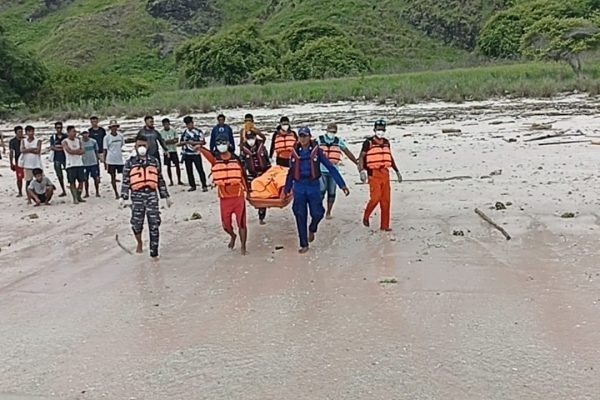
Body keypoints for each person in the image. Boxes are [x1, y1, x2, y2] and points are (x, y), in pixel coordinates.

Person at [284, 127, 349, 253]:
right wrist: (286, 189)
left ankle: (312, 228)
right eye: (301, 136)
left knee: (318, 213)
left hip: (313, 185)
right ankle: (304, 244)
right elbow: (290, 172)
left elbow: (330, 167)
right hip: (299, 186)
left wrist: (342, 185)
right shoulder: (294, 152)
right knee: (300, 214)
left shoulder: (317, 151)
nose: (303, 139)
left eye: (305, 136)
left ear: (310, 137)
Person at [121, 135, 171, 259]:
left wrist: (166, 196)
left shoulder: (154, 161)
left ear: (147, 146)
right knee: (136, 223)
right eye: (139, 145)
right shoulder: (130, 163)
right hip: (137, 196)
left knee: (154, 223)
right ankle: (139, 242)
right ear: (135, 147)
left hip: (152, 195)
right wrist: (123, 196)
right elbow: (126, 181)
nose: (141, 148)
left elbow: (160, 179)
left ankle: (154, 253)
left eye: (143, 145)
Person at [197, 135, 249, 255]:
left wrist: (248, 192)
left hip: (238, 196)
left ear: (228, 143)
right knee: (226, 225)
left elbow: (243, 177)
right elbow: (205, 152)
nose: (221, 145)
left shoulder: (236, 159)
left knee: (241, 223)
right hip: (224, 198)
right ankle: (232, 236)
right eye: (219, 143)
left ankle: (243, 247)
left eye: (223, 142)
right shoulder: (215, 159)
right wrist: (199, 147)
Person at [358, 120, 403, 231]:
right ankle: (366, 215)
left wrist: (397, 171)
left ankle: (385, 226)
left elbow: (390, 157)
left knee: (386, 200)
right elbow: (361, 157)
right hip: (373, 173)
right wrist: (361, 171)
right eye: (378, 129)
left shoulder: (387, 142)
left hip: (385, 173)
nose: (380, 131)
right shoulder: (368, 142)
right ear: (374, 130)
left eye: (382, 129)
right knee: (375, 198)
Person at [317, 123, 359, 219]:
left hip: (333, 171)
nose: (331, 133)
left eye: (333, 132)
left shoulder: (338, 141)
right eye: (330, 131)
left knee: (332, 192)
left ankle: (328, 211)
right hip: (321, 170)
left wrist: (356, 163)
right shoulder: (319, 140)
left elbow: (347, 152)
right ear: (326, 130)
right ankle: (319, 208)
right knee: (321, 190)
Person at [240, 131, 271, 224]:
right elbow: (242, 163)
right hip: (251, 174)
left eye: (252, 138)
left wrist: (269, 172)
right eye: (249, 138)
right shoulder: (243, 149)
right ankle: (258, 209)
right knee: (253, 195)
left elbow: (266, 159)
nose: (251, 140)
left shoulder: (262, 146)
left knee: (262, 194)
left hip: (263, 173)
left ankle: (261, 215)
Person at [180, 116, 208, 192]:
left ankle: (204, 185)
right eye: (187, 124)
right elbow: (181, 142)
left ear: (192, 123)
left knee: (200, 169)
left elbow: (203, 142)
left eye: (190, 124)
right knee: (189, 171)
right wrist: (185, 143)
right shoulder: (185, 132)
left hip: (196, 153)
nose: (189, 126)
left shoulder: (198, 131)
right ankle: (192, 185)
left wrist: (194, 143)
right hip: (187, 154)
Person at [63, 126, 87, 204]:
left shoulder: (78, 140)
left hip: (79, 163)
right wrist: (77, 151)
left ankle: (79, 196)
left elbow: (83, 151)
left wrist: (75, 151)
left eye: (75, 132)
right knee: (72, 182)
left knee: (81, 181)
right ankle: (75, 198)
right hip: (70, 164)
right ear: (68, 132)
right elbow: (69, 151)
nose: (74, 133)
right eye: (73, 131)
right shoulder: (65, 141)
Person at [20, 126, 43, 205]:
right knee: (28, 182)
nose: (31, 133)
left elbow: (38, 151)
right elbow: (22, 150)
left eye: (32, 131)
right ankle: (29, 198)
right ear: (26, 133)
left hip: (36, 164)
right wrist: (32, 149)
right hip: (27, 164)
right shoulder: (23, 141)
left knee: (40, 181)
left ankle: (40, 196)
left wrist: (27, 150)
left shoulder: (38, 141)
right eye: (29, 131)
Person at [104, 120, 126, 199]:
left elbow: (122, 146)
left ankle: (124, 191)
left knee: (124, 176)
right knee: (113, 177)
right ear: (110, 128)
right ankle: (116, 193)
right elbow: (105, 150)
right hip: (111, 159)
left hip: (120, 159)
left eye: (115, 127)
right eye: (112, 127)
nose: (114, 128)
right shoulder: (107, 137)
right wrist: (105, 162)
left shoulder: (121, 136)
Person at [161, 118, 183, 186]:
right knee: (168, 166)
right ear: (163, 125)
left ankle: (179, 180)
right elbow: (162, 142)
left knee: (177, 165)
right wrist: (171, 141)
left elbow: (176, 140)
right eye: (165, 124)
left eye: (167, 124)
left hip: (173, 150)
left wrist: (167, 142)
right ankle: (171, 181)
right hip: (166, 151)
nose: (166, 126)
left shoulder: (173, 130)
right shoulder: (161, 132)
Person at [49, 121, 68, 197]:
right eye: (57, 128)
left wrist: (58, 147)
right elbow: (52, 147)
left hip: (66, 157)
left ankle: (72, 187)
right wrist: (61, 147)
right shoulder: (53, 137)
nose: (59, 129)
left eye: (60, 127)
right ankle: (63, 190)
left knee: (70, 174)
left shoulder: (65, 136)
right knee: (59, 175)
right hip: (57, 158)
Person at [81, 130, 101, 198]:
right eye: (83, 134)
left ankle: (97, 192)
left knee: (95, 178)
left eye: (86, 133)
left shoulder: (93, 141)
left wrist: (97, 160)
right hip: (84, 163)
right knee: (85, 179)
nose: (85, 135)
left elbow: (96, 151)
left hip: (93, 162)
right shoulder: (80, 142)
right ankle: (86, 193)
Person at [9, 126, 24, 197]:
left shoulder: (25, 139)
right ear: (15, 133)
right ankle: (20, 191)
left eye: (21, 132)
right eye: (19, 132)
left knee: (29, 177)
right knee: (19, 178)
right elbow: (11, 152)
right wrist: (11, 163)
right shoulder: (12, 141)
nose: (21, 133)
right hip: (18, 161)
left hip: (27, 160)